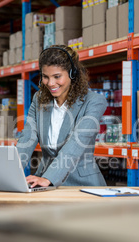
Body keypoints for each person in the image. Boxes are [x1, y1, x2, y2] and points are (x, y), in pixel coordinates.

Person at [16, 45, 107, 188]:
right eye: (45, 77)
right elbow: (28, 137)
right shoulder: (39, 99)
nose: (51, 83)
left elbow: (76, 143)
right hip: (44, 180)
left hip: (82, 184)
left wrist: (48, 178)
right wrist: (12, 171)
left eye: (57, 76)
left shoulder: (94, 102)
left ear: (72, 74)